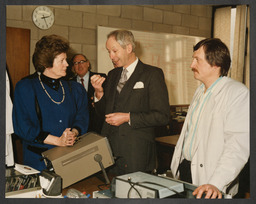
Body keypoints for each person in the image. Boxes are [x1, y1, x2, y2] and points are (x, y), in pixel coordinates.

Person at [170, 38, 249, 199]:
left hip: (213, 178)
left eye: (197, 60)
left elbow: (237, 147)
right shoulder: (200, 91)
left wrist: (216, 183)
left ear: (215, 64)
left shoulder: (237, 93)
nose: (192, 65)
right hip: (187, 170)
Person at [91, 30, 170, 175]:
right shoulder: (112, 75)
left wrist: (128, 117)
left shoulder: (152, 74)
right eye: (109, 52)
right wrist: (99, 93)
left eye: (114, 51)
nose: (111, 56)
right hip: (110, 152)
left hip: (137, 154)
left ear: (128, 48)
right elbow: (103, 114)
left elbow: (162, 116)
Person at [12, 35, 89, 171]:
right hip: (38, 162)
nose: (67, 64)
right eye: (62, 61)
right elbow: (23, 127)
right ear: (47, 63)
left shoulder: (75, 89)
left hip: (69, 159)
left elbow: (82, 117)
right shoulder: (26, 87)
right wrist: (57, 141)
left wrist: (74, 133)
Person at [71, 54, 106, 134]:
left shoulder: (100, 78)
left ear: (88, 63)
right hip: (77, 128)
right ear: (73, 67)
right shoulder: (69, 83)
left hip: (98, 127)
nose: (79, 65)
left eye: (82, 62)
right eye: (76, 63)